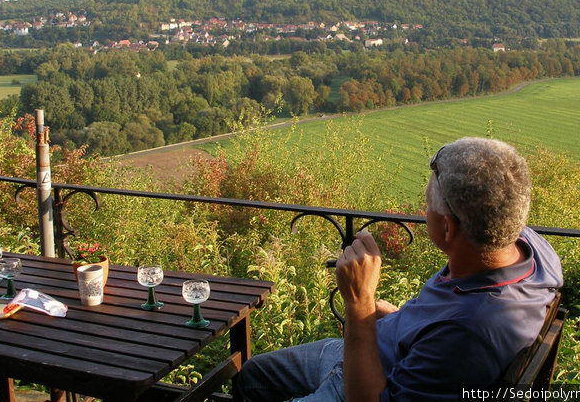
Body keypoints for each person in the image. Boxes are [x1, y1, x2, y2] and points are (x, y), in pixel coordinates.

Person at [236, 137, 563, 401]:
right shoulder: (528, 247)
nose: (424, 210)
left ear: (448, 229)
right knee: (252, 376)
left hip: (364, 380)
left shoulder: (468, 333)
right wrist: (402, 321)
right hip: (384, 346)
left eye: (427, 205)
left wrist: (359, 304)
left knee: (250, 383)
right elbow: (443, 329)